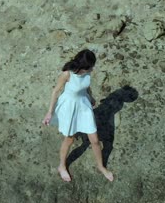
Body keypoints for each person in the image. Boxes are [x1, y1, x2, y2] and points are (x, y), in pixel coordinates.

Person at [42, 49, 114, 182]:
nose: (93, 69)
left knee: (95, 140)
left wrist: (91, 97)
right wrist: (49, 112)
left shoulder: (87, 73)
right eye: (91, 66)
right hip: (69, 107)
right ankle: (62, 166)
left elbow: (86, 87)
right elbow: (55, 92)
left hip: (83, 106)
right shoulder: (67, 74)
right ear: (84, 66)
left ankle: (101, 166)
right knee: (69, 139)